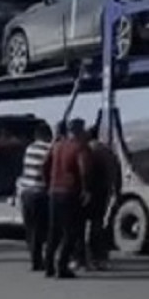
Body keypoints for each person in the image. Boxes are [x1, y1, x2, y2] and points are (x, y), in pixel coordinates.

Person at [43, 118, 92, 279]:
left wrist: (48, 182)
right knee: (71, 232)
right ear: (80, 130)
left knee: (53, 231)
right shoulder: (80, 147)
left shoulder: (57, 146)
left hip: (53, 191)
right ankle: (61, 266)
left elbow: (44, 164)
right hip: (69, 192)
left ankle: (48, 266)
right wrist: (86, 189)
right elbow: (83, 169)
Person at [75, 125, 122, 270]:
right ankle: (100, 258)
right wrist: (117, 191)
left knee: (80, 227)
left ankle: (81, 259)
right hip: (103, 192)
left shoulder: (85, 151)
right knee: (98, 225)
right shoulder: (107, 151)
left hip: (87, 192)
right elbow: (117, 171)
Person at [18, 123, 53, 271]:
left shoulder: (29, 148)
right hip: (40, 192)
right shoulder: (49, 149)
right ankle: (38, 261)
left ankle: (34, 257)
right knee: (41, 229)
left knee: (30, 227)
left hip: (26, 192)